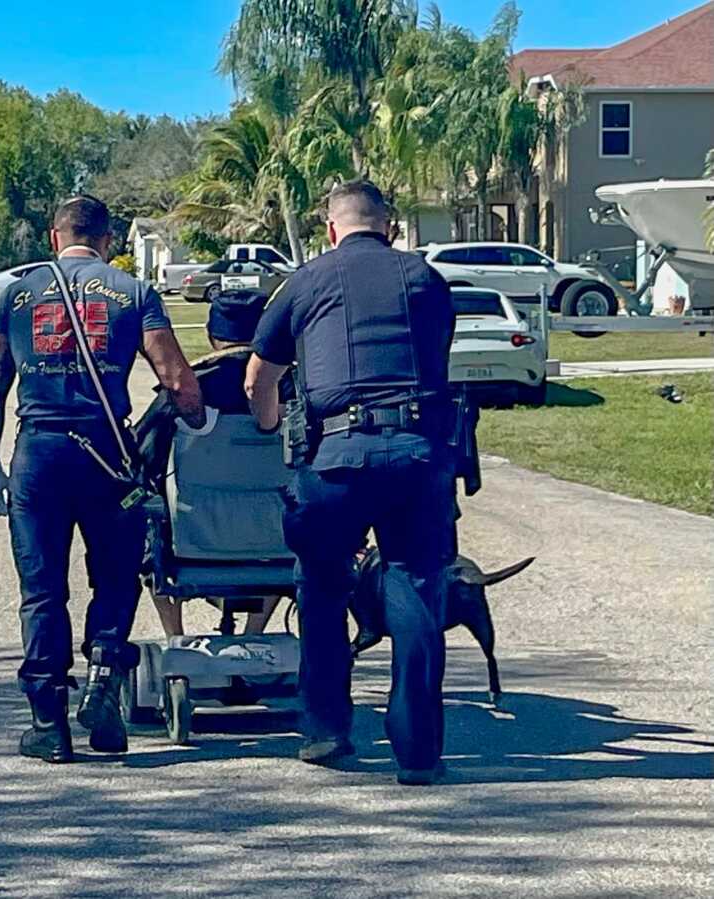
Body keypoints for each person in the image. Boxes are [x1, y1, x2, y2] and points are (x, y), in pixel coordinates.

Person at [0, 194, 204, 764]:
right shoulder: (133, 293)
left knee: (44, 589)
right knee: (117, 577)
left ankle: (49, 723)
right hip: (107, 454)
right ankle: (103, 681)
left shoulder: (14, 294)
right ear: (108, 240)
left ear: (55, 239)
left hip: (40, 455)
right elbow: (177, 379)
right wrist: (197, 417)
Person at [245, 181, 457, 785]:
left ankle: (328, 731)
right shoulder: (425, 279)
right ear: (388, 227)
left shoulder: (305, 282)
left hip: (336, 456)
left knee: (320, 583)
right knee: (415, 585)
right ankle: (417, 751)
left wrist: (268, 425)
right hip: (417, 453)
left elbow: (260, 376)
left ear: (331, 229)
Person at [135, 289, 282, 637]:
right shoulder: (289, 387)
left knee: (144, 522)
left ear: (210, 335)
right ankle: (254, 632)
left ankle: (176, 635)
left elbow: (142, 457)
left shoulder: (187, 388)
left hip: (194, 537)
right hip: (275, 538)